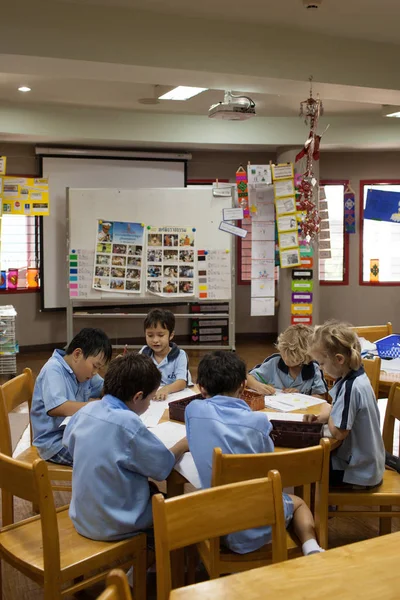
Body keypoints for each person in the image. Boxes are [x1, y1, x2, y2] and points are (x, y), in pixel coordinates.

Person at [185, 351, 324, 556]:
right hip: (259, 523)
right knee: (299, 503)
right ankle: (311, 546)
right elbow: (267, 465)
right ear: (243, 385)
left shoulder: (192, 410)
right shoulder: (258, 423)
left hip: (215, 522)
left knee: (194, 489)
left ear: (201, 387)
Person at [63, 353, 188, 541]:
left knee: (149, 488)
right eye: (150, 399)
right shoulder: (128, 423)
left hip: (82, 516)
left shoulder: (87, 410)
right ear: (138, 397)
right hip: (115, 523)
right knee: (180, 507)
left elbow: (69, 444)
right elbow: (161, 467)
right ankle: (165, 559)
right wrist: (182, 445)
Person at [304, 321, 385, 489]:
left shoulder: (351, 388)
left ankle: (318, 512)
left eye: (322, 363)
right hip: (369, 464)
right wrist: (322, 417)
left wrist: (328, 410)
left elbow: (339, 432)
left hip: (359, 472)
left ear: (339, 359)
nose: (321, 368)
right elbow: (342, 412)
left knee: (307, 470)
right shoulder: (357, 377)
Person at [31, 328, 112, 466]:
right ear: (77, 354)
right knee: (104, 457)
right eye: (95, 366)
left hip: (75, 433)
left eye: (99, 368)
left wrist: (120, 378)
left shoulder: (84, 372)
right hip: (54, 443)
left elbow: (104, 388)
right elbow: (58, 407)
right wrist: (95, 405)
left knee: (112, 443)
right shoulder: (53, 369)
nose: (95, 372)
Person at [247, 324, 327, 397]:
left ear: (306, 356)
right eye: (284, 353)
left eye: (293, 357)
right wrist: (258, 386)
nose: (286, 358)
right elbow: (248, 378)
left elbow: (321, 396)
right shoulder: (274, 362)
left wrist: (300, 396)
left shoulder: (314, 368)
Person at [139, 308, 192, 400]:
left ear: (171, 335)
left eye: (161, 335)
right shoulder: (144, 353)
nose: (155, 340)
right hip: (152, 399)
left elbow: (181, 382)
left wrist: (166, 389)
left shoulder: (180, 355)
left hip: (175, 397)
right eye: (150, 335)